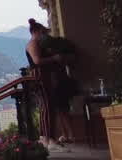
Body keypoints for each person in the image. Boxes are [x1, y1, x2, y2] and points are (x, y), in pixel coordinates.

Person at [26, 19, 74, 152]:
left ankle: (46, 138)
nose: (44, 35)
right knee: (47, 108)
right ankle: (49, 139)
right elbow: (37, 60)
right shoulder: (33, 43)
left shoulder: (38, 43)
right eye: (42, 32)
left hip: (45, 77)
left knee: (48, 108)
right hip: (40, 78)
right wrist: (54, 58)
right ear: (36, 32)